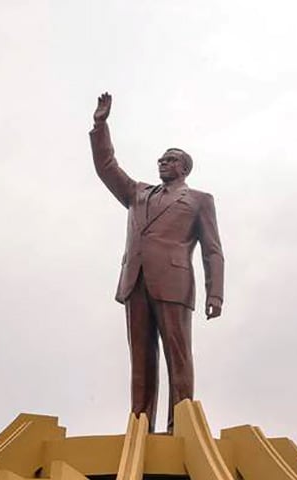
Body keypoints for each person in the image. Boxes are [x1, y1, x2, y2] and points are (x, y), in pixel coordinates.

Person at [89, 92, 225, 433]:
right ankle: (140, 425)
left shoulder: (198, 200)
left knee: (178, 357)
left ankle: (179, 426)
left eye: (170, 159)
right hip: (135, 281)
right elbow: (107, 167)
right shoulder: (137, 193)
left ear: (184, 167)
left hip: (174, 283)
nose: (162, 162)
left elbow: (212, 249)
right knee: (141, 358)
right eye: (161, 159)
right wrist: (100, 126)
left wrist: (215, 293)